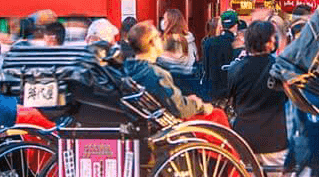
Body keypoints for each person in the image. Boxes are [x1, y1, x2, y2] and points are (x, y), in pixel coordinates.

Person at [224, 21, 289, 169]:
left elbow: (232, 98)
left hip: (243, 138)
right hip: (274, 139)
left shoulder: (235, 68)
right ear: (269, 43)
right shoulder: (280, 68)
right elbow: (287, 98)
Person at [121, 21, 211, 120]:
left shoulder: (126, 69)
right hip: (165, 122)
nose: (162, 40)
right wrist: (198, 105)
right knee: (218, 114)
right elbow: (180, 108)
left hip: (142, 118)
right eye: (159, 37)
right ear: (153, 42)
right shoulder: (156, 75)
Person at [200, 11, 242, 100]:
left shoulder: (208, 43)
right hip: (230, 93)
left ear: (222, 26)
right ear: (235, 26)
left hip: (211, 91)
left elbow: (205, 67)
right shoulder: (236, 45)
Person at [158, 8, 200, 96]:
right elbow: (195, 58)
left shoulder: (169, 41)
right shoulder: (190, 39)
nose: (163, 22)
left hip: (173, 84)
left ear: (171, 22)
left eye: (165, 20)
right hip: (190, 83)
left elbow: (168, 61)